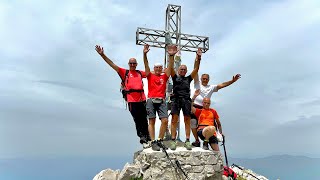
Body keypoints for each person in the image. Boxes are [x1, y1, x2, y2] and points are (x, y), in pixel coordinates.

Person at [95, 45, 150, 147]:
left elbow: (150, 73)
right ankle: (142, 137)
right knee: (137, 119)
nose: (133, 65)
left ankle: (148, 136)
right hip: (132, 100)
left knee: (144, 118)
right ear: (128, 64)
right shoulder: (125, 72)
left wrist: (163, 70)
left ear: (137, 64)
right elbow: (112, 64)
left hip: (142, 99)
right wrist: (102, 55)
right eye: (131, 63)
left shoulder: (139, 73)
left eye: (134, 63)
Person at [191, 73, 241, 147]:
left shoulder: (211, 87)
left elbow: (222, 85)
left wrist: (232, 81)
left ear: (208, 80)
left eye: (206, 79)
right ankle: (197, 140)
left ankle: (210, 140)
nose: (205, 80)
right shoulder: (197, 84)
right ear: (201, 79)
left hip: (205, 108)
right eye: (203, 78)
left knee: (211, 125)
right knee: (193, 122)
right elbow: (196, 69)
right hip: (195, 106)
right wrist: (197, 60)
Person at [143, 44, 177, 151]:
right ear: (154, 68)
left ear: (162, 68)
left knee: (165, 120)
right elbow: (146, 65)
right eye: (156, 67)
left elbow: (171, 67)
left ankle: (159, 140)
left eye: (160, 67)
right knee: (151, 121)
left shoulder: (164, 76)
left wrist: (171, 56)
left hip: (161, 100)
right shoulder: (150, 75)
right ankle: (153, 141)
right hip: (151, 100)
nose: (158, 69)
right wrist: (144, 54)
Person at [168, 48, 202, 150]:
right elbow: (170, 67)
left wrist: (198, 58)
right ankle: (173, 140)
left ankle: (187, 140)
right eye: (181, 69)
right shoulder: (174, 77)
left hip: (186, 100)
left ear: (186, 71)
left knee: (187, 120)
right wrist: (171, 56)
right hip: (176, 100)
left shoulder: (188, 78)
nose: (182, 70)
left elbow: (196, 70)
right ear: (178, 70)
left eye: (184, 69)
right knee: (174, 120)